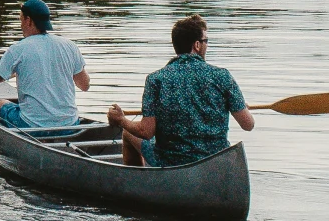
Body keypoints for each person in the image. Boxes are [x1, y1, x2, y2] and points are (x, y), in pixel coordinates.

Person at [107, 14, 253, 167]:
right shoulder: (222, 76)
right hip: (215, 161)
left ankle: (139, 184)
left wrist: (121, 120)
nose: (207, 45)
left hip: (173, 163)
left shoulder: (156, 79)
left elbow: (146, 131)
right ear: (197, 45)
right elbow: (248, 124)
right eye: (206, 41)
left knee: (128, 133)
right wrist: (241, 107)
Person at [0, 0, 90, 132]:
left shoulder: (17, 50)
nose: (20, 24)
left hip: (32, 126)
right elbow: (85, 85)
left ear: (28, 20)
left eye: (21, 19)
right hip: (70, 125)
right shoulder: (70, 46)